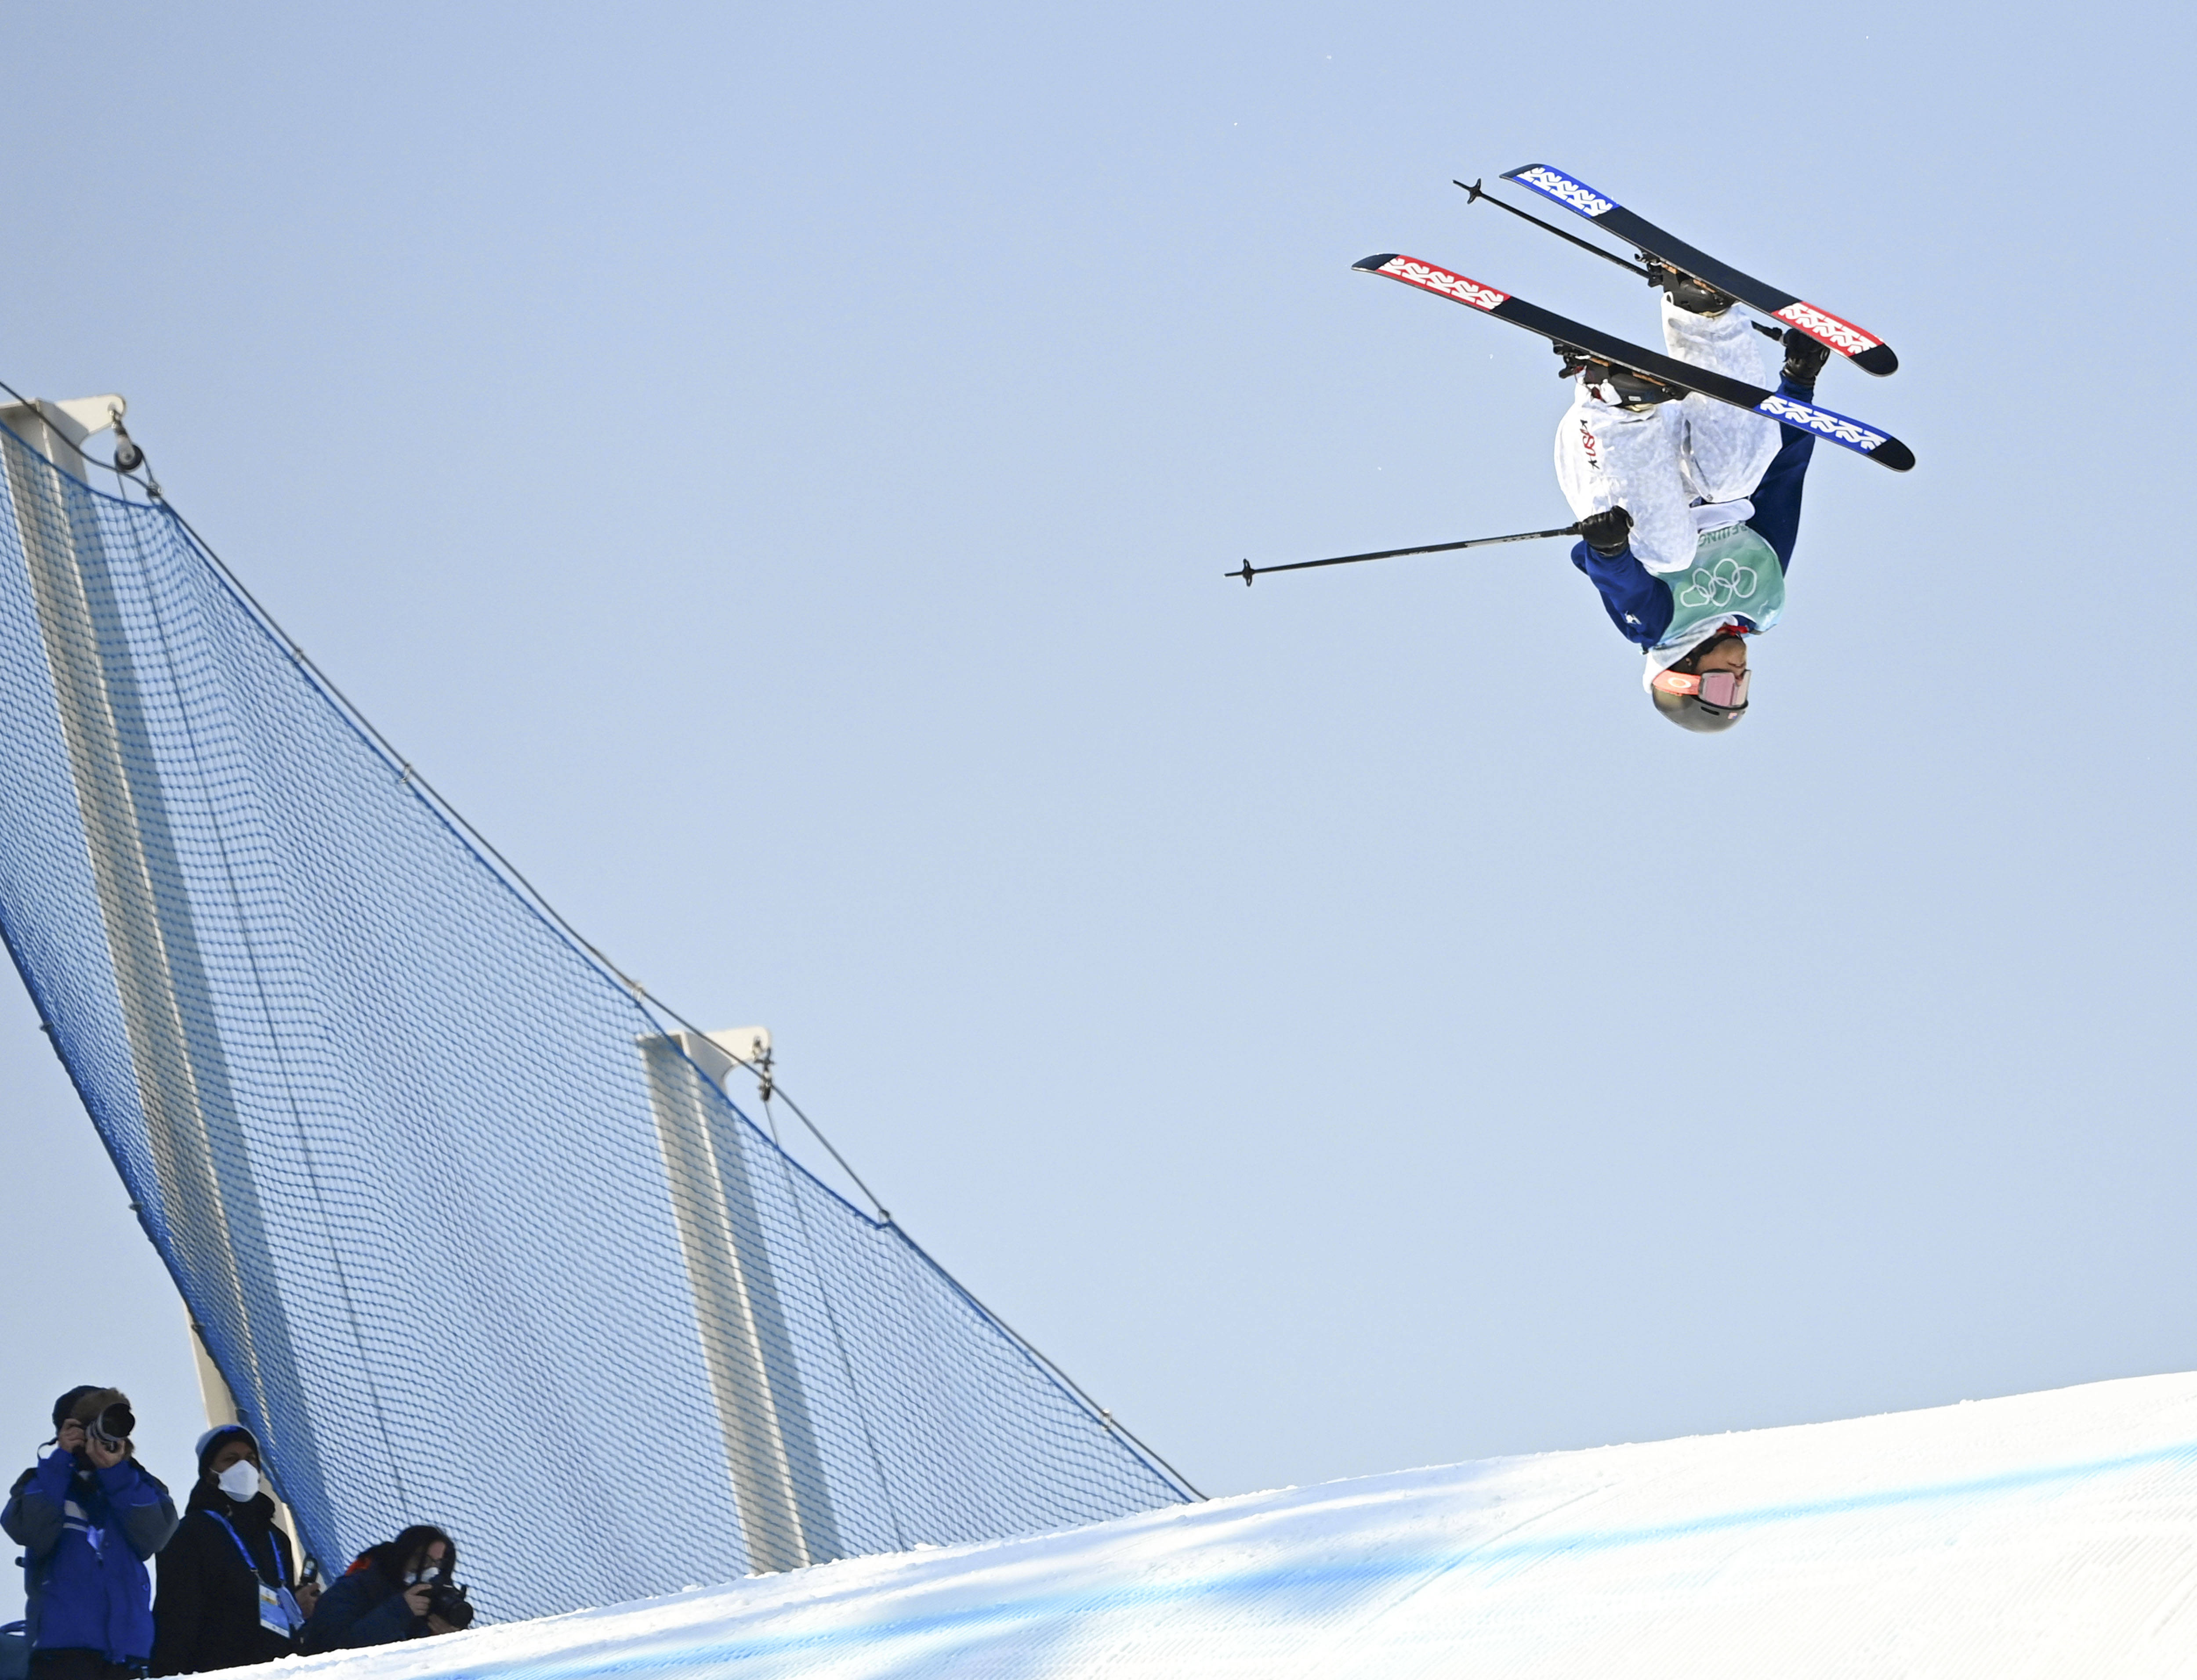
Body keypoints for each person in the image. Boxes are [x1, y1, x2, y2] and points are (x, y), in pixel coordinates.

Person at [1552, 270, 1834, 731]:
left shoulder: (1659, 628)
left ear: (1683, 677)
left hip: (1610, 462)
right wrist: (1798, 386)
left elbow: (1623, 584)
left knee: (1669, 552)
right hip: (1689, 443)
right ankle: (1702, 316)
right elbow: (1783, 476)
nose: (1740, 677)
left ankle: (1611, 397)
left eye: (1724, 688)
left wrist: (1608, 547)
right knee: (1736, 479)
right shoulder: (1760, 598)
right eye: (1742, 690)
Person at [2, 1389, 178, 1680]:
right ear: (69, 1429)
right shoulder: (44, 1480)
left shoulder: (137, 1483)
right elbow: (29, 1530)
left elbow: (156, 1537)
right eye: (93, 1424)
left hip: (128, 1655)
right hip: (61, 1652)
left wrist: (117, 1474)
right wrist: (61, 1461)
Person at [149, 1426, 315, 1675]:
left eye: (251, 1459)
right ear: (210, 1473)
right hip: (218, 1670)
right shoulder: (190, 1533)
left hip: (281, 1670)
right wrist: (166, 1672)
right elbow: (175, 1618)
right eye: (231, 1459)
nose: (244, 1467)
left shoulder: (277, 1539)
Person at [300, 1526, 467, 1653]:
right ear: (403, 1556)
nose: (431, 1571)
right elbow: (333, 1647)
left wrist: (450, 1640)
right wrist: (399, 1611)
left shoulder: (434, 1606)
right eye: (423, 1560)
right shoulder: (353, 1589)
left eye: (439, 1565)